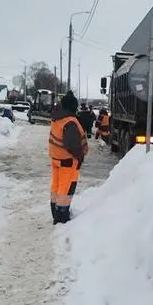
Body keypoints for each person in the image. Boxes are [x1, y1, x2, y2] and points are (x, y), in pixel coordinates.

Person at [48, 91, 89, 225]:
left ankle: (55, 211)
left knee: (56, 186)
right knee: (66, 188)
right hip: (67, 160)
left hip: (56, 158)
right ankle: (61, 217)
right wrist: (80, 155)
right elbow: (72, 144)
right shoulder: (70, 122)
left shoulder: (57, 118)